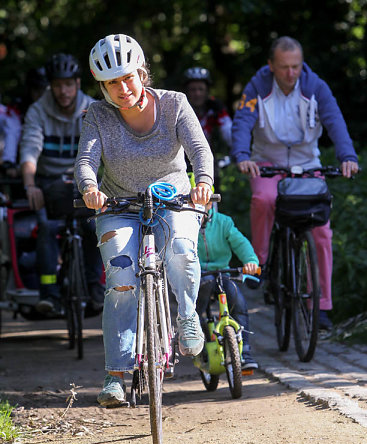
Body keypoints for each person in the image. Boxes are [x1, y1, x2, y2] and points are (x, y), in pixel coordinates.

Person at [74, 33, 214, 407]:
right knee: (121, 275)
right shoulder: (98, 115)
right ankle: (116, 375)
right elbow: (86, 161)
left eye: (128, 77)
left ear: (142, 72)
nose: (123, 88)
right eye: (112, 82)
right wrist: (90, 188)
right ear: (102, 86)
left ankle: (187, 317)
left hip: (175, 199)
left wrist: (203, 182)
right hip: (119, 205)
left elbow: (200, 149)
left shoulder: (175, 104)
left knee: (182, 249)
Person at [231, 36, 359, 331]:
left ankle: (322, 305)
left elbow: (335, 121)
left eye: (296, 67)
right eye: (284, 67)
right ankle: (259, 263)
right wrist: (241, 155)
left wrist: (347, 156)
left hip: (307, 165)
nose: (291, 74)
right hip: (266, 163)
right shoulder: (256, 88)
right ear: (271, 66)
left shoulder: (316, 87)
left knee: (322, 233)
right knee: (263, 200)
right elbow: (242, 121)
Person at [19, 52, 104, 315]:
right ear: (50, 86)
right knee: (46, 227)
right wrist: (30, 185)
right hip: (49, 182)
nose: (63, 90)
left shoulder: (92, 107)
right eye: (57, 85)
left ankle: (95, 289)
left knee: (94, 227)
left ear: (77, 83)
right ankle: (50, 294)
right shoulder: (38, 110)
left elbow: (103, 150)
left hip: (85, 180)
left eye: (68, 84)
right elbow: (30, 149)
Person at [196, 200, 259, 370]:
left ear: (211, 203)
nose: (202, 207)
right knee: (196, 307)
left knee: (237, 301)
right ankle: (195, 338)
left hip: (222, 272)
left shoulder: (223, 222)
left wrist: (250, 261)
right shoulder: (184, 225)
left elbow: (240, 242)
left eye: (206, 203)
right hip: (196, 275)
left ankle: (245, 351)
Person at [183, 67, 232, 192]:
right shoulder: (179, 108)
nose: (197, 93)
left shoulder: (215, 108)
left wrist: (236, 153)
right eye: (193, 90)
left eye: (201, 89)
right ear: (187, 91)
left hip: (210, 161)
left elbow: (229, 132)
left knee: (212, 195)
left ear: (207, 91)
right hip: (182, 161)